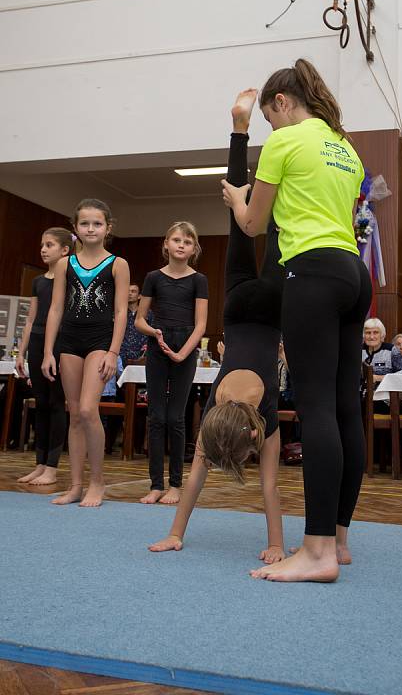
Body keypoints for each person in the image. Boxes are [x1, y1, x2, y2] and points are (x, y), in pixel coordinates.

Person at [223, 60, 372, 582]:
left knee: (316, 412)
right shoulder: (345, 147)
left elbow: (254, 224)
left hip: (312, 274)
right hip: (354, 274)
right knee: (343, 408)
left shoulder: (285, 143)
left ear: (282, 103)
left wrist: (238, 197)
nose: (272, 126)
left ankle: (316, 552)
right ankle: (340, 538)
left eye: (269, 117)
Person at [149, 89, 285, 563]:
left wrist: (276, 545)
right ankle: (240, 129)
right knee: (239, 219)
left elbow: (269, 487)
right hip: (237, 304)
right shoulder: (214, 416)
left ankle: (277, 139)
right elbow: (195, 483)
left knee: (277, 224)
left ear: (249, 436)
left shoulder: (261, 421)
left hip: (270, 312)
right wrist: (175, 532)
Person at [42, 199, 129, 507]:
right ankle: (75, 485)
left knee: (89, 411)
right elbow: (55, 308)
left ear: (107, 227)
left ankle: (97, 482)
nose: (91, 228)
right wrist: (48, 352)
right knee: (74, 413)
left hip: (100, 341)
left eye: (97, 223)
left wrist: (113, 351)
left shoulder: (117, 264)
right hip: (69, 341)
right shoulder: (66, 264)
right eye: (85, 223)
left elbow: (121, 311)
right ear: (75, 228)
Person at [135, 222, 208, 505]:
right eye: (176, 240)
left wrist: (183, 352)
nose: (181, 245)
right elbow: (140, 319)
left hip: (185, 345)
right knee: (156, 416)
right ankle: (156, 484)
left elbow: (201, 324)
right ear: (166, 244)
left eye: (187, 242)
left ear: (194, 249)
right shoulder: (154, 277)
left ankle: (176, 485)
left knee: (176, 417)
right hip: (158, 343)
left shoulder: (198, 280)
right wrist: (154, 332)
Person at [16, 227, 74, 485]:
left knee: (55, 402)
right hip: (38, 342)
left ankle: (52, 465)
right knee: (40, 402)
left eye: (49, 245)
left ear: (64, 250)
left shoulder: (70, 280)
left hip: (60, 341)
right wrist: (22, 351)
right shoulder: (38, 281)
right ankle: (39, 463)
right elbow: (30, 320)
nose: (43, 249)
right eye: (42, 244)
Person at [119, 283, 150, 366]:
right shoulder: (119, 313)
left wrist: (146, 351)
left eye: (133, 291)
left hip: (142, 356)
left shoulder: (147, 314)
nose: (129, 293)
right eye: (127, 291)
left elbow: (152, 334)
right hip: (121, 356)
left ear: (139, 296)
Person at [100, 355, 124, 455]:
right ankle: (108, 446)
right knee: (110, 421)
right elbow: (120, 374)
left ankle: (100, 446)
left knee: (100, 420)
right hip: (109, 393)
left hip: (97, 393)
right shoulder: (116, 356)